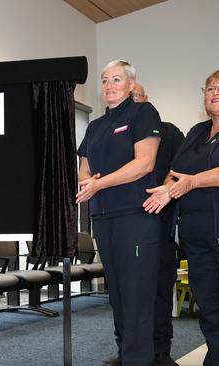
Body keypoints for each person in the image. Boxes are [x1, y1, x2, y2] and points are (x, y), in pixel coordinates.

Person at [143, 69, 219, 366]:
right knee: (211, 312)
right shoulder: (196, 131)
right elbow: (176, 173)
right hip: (197, 240)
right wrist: (166, 191)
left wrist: (194, 181)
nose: (215, 92)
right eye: (209, 88)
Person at [76, 60, 161, 366]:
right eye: (104, 80)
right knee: (118, 296)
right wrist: (90, 183)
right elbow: (83, 169)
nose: (109, 86)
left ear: (130, 84)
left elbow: (145, 163)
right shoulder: (96, 126)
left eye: (116, 79)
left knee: (136, 294)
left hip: (134, 216)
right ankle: (127, 354)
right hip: (102, 217)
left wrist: (100, 183)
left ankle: (139, 359)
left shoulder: (143, 113)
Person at [132, 83, 183, 366]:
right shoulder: (116, 133)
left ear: (147, 100)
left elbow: (182, 169)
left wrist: (165, 189)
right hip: (126, 229)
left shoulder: (169, 132)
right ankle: (131, 350)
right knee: (129, 297)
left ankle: (161, 352)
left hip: (160, 226)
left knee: (160, 293)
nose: (134, 102)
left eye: (137, 97)